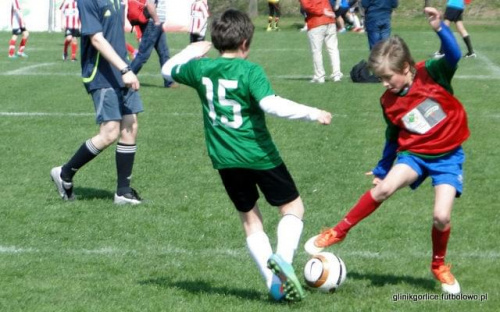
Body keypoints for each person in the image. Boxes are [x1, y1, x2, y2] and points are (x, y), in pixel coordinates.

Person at [161, 9, 332, 302]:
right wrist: (312, 113)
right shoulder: (250, 71)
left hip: (225, 159)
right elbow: (271, 104)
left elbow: (167, 69)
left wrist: (191, 50)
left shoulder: (201, 69)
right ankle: (284, 260)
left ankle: (275, 286)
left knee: (250, 220)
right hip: (259, 154)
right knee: (293, 207)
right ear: (245, 43)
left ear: (216, 42)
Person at [305, 7, 469, 295]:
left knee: (441, 217)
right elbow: (393, 137)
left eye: (387, 77)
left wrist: (440, 27)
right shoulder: (388, 100)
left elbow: (454, 55)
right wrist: (382, 169)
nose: (383, 84)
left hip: (447, 157)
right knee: (383, 189)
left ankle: (438, 265)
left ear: (406, 68)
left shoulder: (432, 73)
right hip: (414, 154)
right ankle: (337, 231)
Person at [51, 0, 144, 205]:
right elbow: (96, 39)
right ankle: (64, 173)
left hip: (121, 69)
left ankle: (123, 192)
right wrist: (125, 70)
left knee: (131, 125)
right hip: (102, 75)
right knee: (110, 132)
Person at [128, 0, 174, 88]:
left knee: (164, 53)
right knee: (143, 54)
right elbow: (149, 4)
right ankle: (127, 77)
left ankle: (169, 82)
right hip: (152, 23)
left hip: (156, 23)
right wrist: (156, 20)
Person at [300, 0, 343, 83]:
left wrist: (321, 11)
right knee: (333, 49)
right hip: (330, 20)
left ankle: (319, 76)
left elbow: (307, 6)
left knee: (317, 51)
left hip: (316, 22)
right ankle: (336, 75)